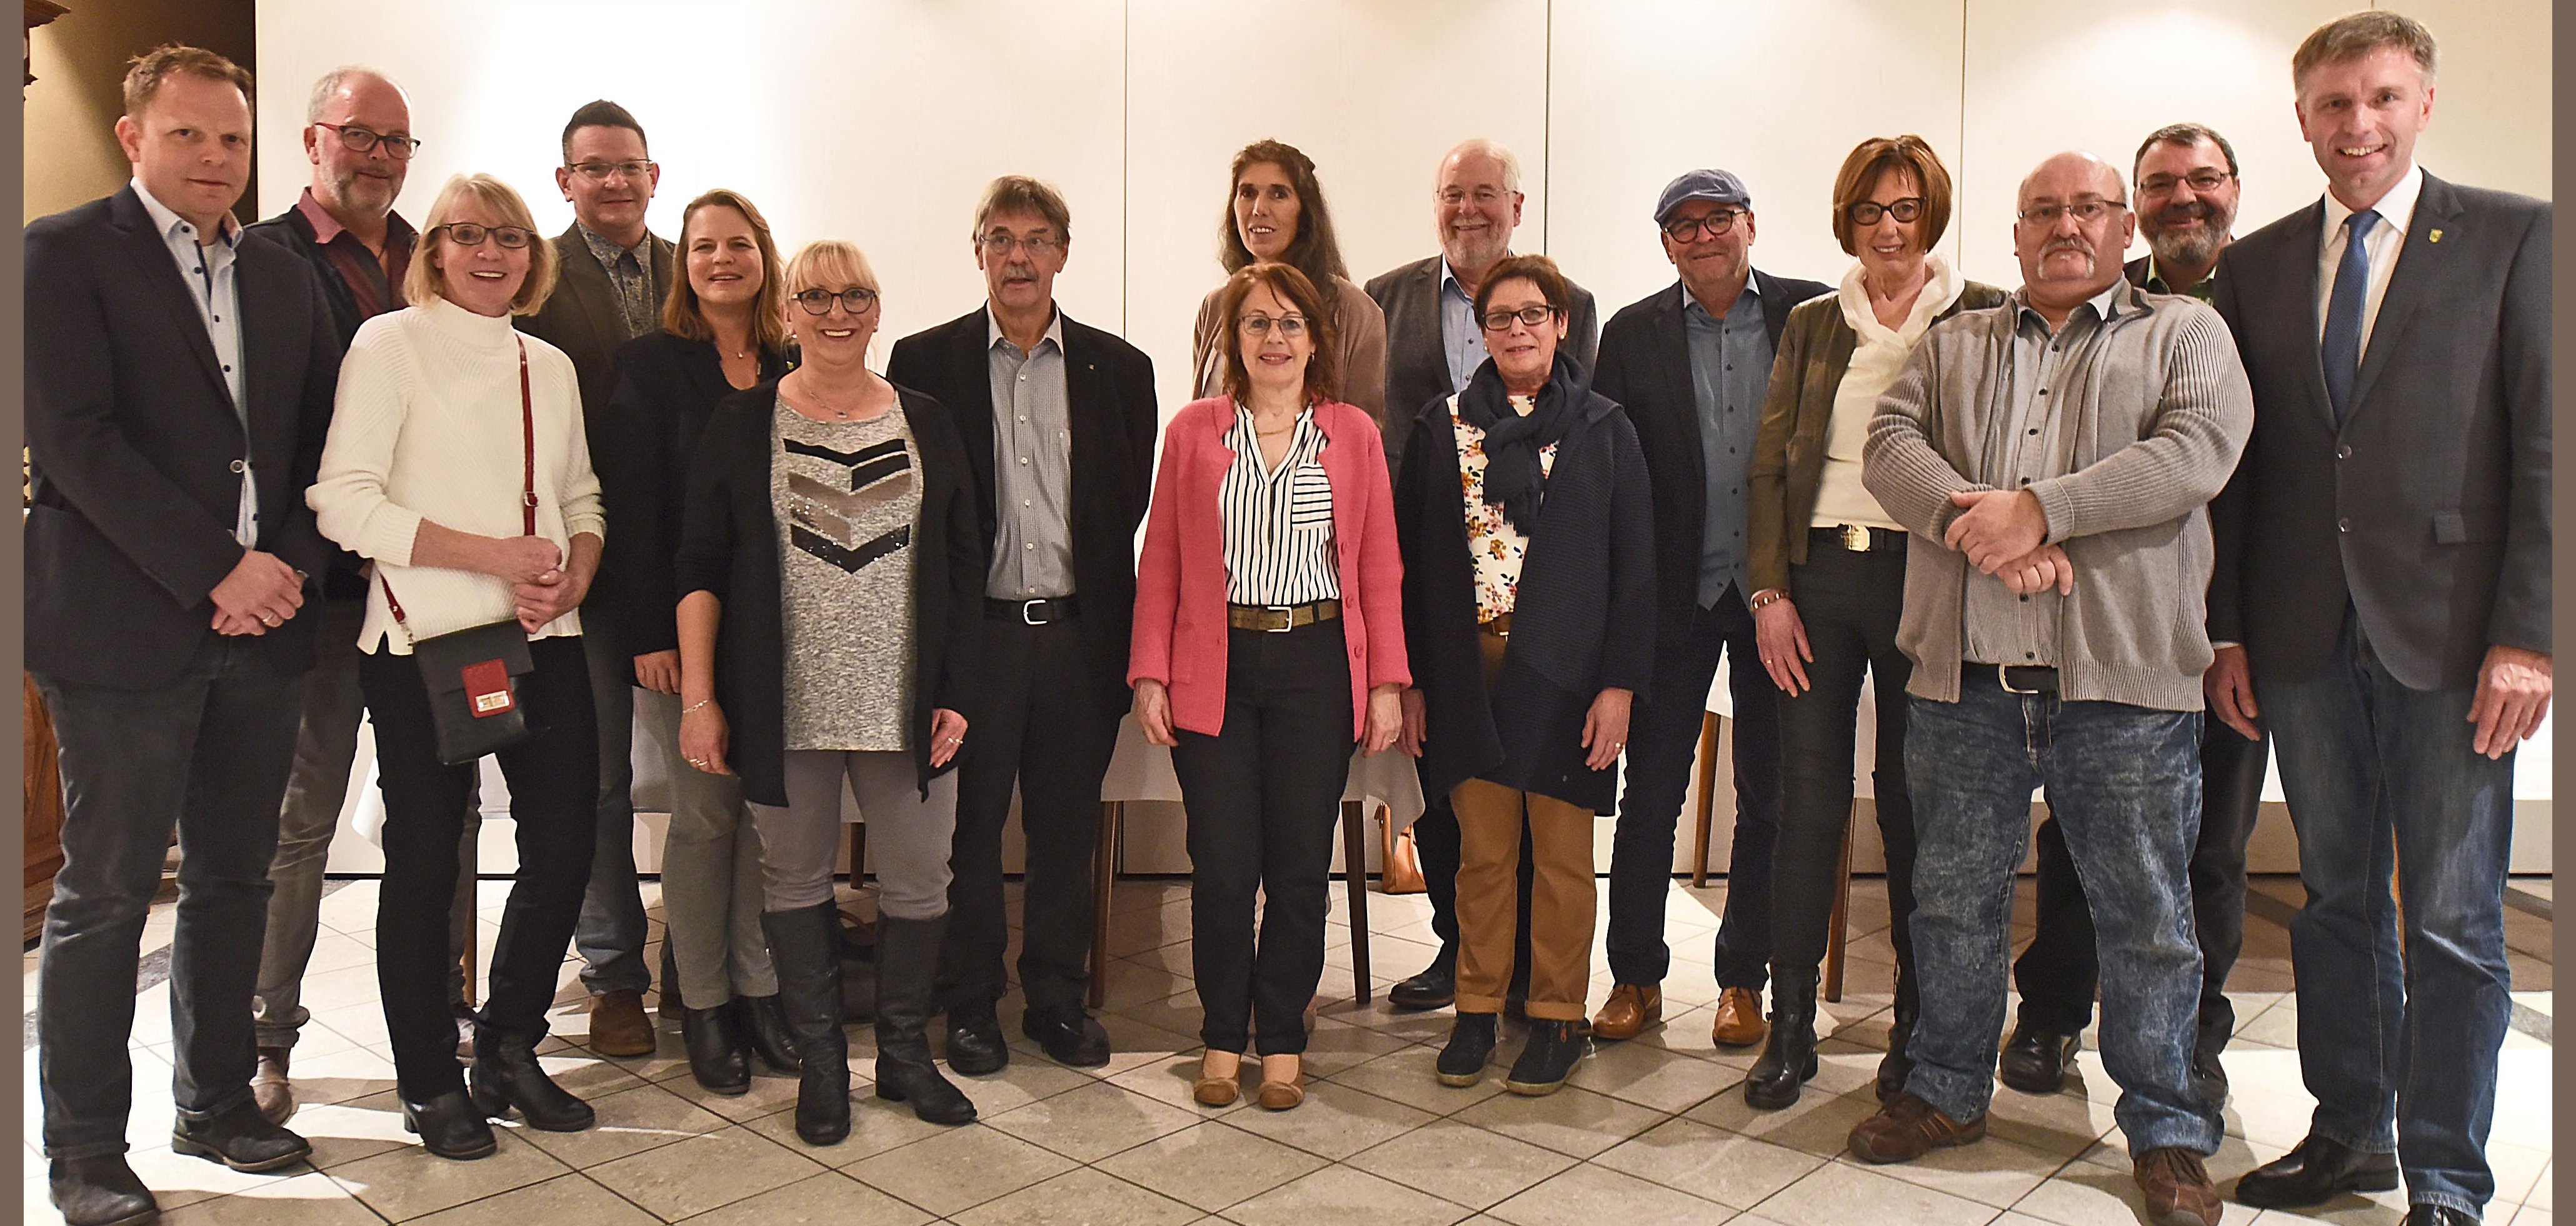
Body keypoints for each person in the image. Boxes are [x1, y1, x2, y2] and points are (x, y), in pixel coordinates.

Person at [1846, 151, 2248, 1226]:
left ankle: (2166, 1129)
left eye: (2087, 209)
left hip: (2124, 684)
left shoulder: (2184, 334)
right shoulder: (1955, 341)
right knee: (1950, 902)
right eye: (2042, 212)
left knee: (2147, 918)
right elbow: (1889, 445)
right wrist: (1974, 527)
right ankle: (1945, 1087)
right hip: (1966, 678)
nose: (2065, 226)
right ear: (2015, 233)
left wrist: (2039, 510)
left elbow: (2195, 451)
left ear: (2123, 227)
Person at [2213, 14, 2548, 1225]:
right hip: (2300, 637)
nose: (2357, 125)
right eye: (2333, 104)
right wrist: (2225, 630)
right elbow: (2239, 470)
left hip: (2454, 640)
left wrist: (2531, 635)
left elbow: (2547, 446)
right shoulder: (2254, 265)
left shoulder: (2515, 236)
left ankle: (2447, 1178)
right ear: (2301, 117)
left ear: (2422, 105)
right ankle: (2349, 1133)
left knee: (2453, 919)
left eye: (2382, 98)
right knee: (2336, 903)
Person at [25, 44, 341, 1225]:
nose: (215, 158)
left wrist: (283, 572)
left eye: (233, 139)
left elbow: (319, 445)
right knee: (108, 893)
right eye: (189, 135)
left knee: (233, 876)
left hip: (264, 628)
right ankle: (85, 1152)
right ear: (134, 138)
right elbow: (74, 441)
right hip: (120, 630)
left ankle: (215, 1102)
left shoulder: (280, 273)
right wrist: (219, 570)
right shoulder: (61, 254)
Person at [308, 172, 606, 1161]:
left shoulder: (547, 365)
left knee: (565, 843)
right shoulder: (387, 345)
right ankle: (429, 1077)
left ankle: (509, 1044)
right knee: (428, 864)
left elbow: (581, 498)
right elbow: (343, 502)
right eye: (468, 234)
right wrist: (493, 556)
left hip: (543, 638)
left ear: (533, 255)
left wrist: (573, 576)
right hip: (423, 644)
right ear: (433, 250)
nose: (491, 253)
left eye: (510, 236)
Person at [674, 240, 986, 1142]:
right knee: (794, 878)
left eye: (854, 295)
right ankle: (821, 1066)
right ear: (788, 312)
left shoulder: (926, 419)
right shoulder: (743, 422)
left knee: (921, 879)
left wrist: (959, 690)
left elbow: (963, 564)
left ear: (877, 309)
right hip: (787, 704)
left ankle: (904, 1056)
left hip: (905, 704)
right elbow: (699, 568)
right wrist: (701, 698)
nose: (836, 313)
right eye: (815, 296)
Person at [241, 64, 489, 1128]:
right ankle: (267, 1035)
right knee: (304, 815)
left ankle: (444, 1011)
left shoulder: (434, 259)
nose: (380, 157)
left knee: (448, 807)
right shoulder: (264, 258)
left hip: (438, 592)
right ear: (313, 141)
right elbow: (265, 429)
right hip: (325, 591)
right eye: (359, 136)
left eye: (396, 141)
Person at [1742, 135, 2005, 1110]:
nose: (1887, 229)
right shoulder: (1815, 322)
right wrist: (1769, 592)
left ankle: (1916, 1028)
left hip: (1928, 579)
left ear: (1931, 214)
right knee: (1807, 804)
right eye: (1868, 211)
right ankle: (1790, 1027)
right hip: (1819, 579)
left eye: (1905, 209)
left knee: (1913, 807)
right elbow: (1770, 463)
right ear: (1845, 220)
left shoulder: (1983, 314)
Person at [2005, 122, 2258, 1108]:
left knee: (2213, 845)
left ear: (2234, 188)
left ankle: (2191, 1033)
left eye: (2203, 179)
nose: (2182, 198)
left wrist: (2234, 628)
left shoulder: (2270, 294)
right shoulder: (2103, 299)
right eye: (2160, 185)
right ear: (2131, 213)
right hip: (2111, 612)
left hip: (2236, 619)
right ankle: (2052, 1010)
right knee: (2079, 828)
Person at [885, 176, 1158, 1073]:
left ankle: (1055, 999)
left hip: (1080, 638)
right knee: (968, 831)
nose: (1018, 256)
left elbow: (1123, 505)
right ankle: (971, 1003)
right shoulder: (923, 363)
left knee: (1066, 829)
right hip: (979, 639)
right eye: (1000, 238)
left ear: (1062, 254)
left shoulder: (1121, 370)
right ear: (978, 254)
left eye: (1036, 239)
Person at [1132, 262, 1410, 1112]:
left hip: (1316, 664)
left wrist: (1388, 683)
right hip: (1215, 664)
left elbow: (1379, 566)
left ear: (1316, 339)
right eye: (1256, 322)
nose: (1275, 338)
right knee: (1222, 866)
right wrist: (1149, 673)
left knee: (1296, 867)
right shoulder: (1193, 432)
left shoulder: (1352, 435)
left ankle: (1282, 1035)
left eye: (1291, 322)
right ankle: (1223, 1034)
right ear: (1234, 339)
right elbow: (1162, 559)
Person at [1396, 254, 1653, 1097]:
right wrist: (1414, 681)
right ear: (1480, 331)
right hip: (1466, 674)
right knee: (1482, 855)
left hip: (1568, 676)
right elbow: (1410, 564)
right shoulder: (1442, 427)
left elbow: (1634, 568)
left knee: (1563, 861)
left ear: (1561, 324)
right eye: (1499, 317)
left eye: (1532, 314)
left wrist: (1618, 686)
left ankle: (1555, 1016)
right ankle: (1476, 1009)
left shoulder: (1603, 427)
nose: (1517, 330)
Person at [1590, 169, 1826, 1050]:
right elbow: (1614, 475)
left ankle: (1741, 982)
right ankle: (1634, 976)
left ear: (1749, 225)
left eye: (1716, 219)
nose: (1702, 237)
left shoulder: (1811, 314)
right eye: (1682, 226)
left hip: (1780, 596)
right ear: (1665, 244)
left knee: (1766, 796)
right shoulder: (1630, 332)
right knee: (1651, 794)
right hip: (1672, 598)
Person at [1365, 138, 1601, 1012]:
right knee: (1444, 782)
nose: (1468, 209)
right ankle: (1459, 947)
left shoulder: (1567, 302)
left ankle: (1529, 971)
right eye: (1452, 194)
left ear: (1517, 206)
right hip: (1426, 565)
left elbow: (1581, 441)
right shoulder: (1383, 299)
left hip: (1535, 590)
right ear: (1435, 205)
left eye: (1485, 194)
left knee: (1534, 797)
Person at [593, 188, 798, 1094]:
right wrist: (650, 633)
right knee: (707, 813)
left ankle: (758, 992)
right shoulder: (649, 365)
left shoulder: (796, 358)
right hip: (687, 629)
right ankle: (704, 1004)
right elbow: (631, 507)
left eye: (738, 244)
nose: (721, 259)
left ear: (764, 255)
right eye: (704, 246)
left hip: (784, 635)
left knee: (764, 818)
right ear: (685, 263)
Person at [518, 98, 674, 1057]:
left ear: (654, 176)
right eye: (594, 167)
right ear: (565, 180)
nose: (614, 182)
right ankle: (615, 974)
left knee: (711, 775)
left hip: (684, 566)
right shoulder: (529, 275)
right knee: (598, 782)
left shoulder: (700, 266)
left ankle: (705, 966)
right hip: (581, 565)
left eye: (629, 166)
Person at [1190, 141, 1388, 427]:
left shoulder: (1357, 313)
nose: (1259, 208)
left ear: (1305, 213)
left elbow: (1363, 438)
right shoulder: (1215, 307)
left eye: (1278, 194)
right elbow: (1200, 424)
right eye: (1248, 193)